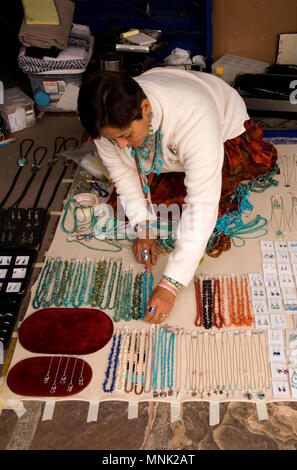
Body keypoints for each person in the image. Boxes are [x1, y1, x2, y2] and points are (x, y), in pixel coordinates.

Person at [77, 67, 277, 325]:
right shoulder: (107, 120)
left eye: (126, 136)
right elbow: (123, 175)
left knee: (209, 207)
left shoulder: (195, 117)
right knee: (138, 202)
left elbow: (203, 205)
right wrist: (143, 227)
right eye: (113, 139)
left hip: (218, 120)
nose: (122, 145)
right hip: (174, 125)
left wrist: (171, 283)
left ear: (146, 107)